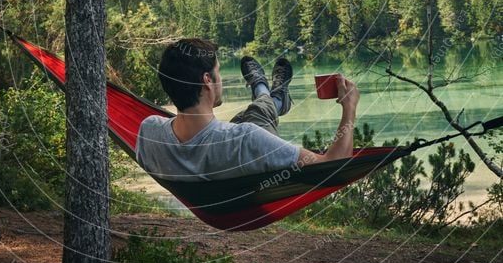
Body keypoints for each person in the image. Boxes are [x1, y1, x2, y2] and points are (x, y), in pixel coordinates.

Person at [135, 38, 359, 183]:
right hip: (247, 172)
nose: (220, 79)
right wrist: (349, 107)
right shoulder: (246, 139)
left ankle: (267, 93)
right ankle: (269, 94)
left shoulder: (149, 130)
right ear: (207, 81)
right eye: (219, 72)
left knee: (252, 115)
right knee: (259, 113)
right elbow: (333, 168)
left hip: (214, 195)